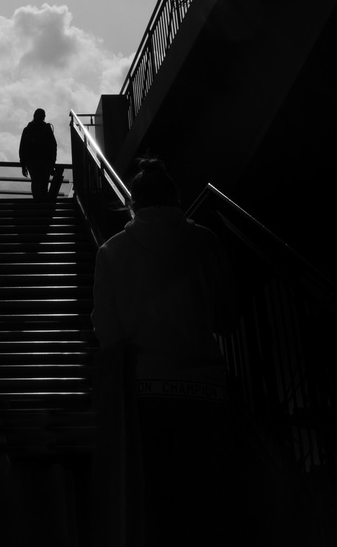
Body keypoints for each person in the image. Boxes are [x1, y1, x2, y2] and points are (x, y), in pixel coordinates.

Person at [90, 157, 246, 546]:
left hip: (145, 393)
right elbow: (227, 318)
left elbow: (108, 336)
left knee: (157, 503)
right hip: (207, 390)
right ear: (175, 198)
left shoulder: (111, 252)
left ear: (132, 203)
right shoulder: (206, 241)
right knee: (209, 505)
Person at [18, 108, 58, 202]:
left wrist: (23, 165)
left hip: (32, 161)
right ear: (44, 117)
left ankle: (38, 203)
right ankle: (43, 205)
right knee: (44, 184)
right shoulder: (47, 129)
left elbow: (22, 148)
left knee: (36, 182)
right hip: (45, 161)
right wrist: (52, 163)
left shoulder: (28, 129)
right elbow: (53, 146)